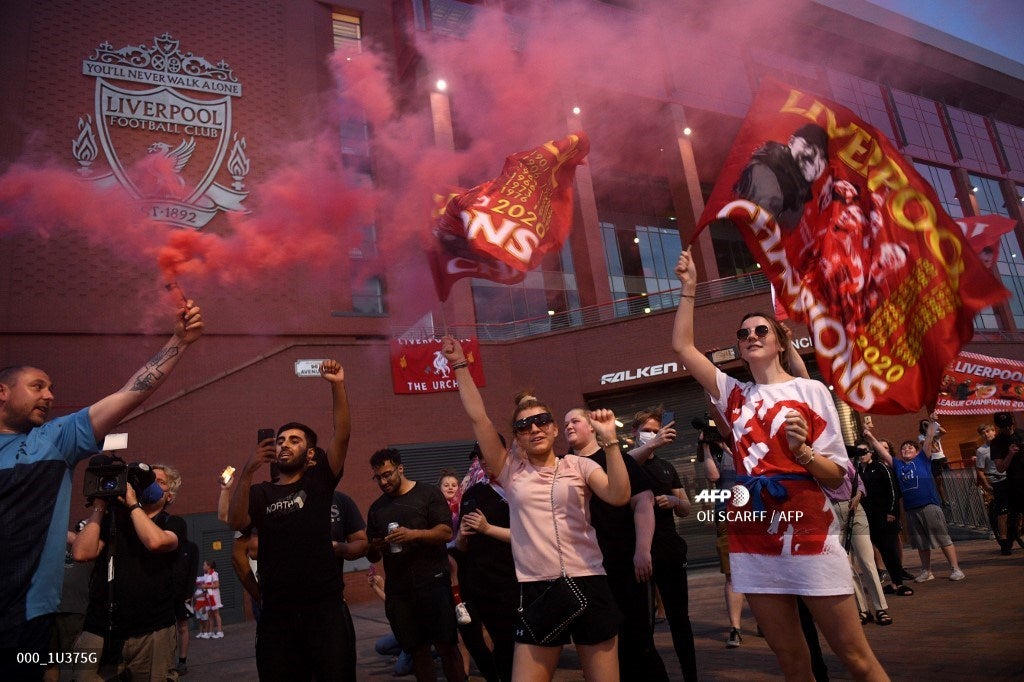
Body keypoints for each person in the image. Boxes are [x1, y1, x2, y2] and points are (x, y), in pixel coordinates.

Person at [671, 248, 887, 681]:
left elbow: (841, 475)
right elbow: (682, 346)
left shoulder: (811, 391)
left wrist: (804, 452)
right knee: (790, 660)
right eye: (743, 332)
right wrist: (690, 290)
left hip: (810, 528)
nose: (750, 335)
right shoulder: (734, 394)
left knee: (856, 658)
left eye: (760, 329)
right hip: (752, 533)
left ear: (779, 340)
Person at [0, 300, 203, 681]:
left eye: (52, 389)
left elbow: (130, 393)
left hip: (27, 616)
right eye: (37, 386)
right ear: (2, 392)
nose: (49, 396)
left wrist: (179, 341)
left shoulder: (53, 441)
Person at [442, 335, 629, 682]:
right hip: (538, 588)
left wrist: (611, 443)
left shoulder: (580, 466)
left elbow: (619, 495)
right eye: (524, 426)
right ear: (517, 438)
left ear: (555, 428)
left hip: (589, 581)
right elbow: (479, 419)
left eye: (542, 421)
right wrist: (460, 365)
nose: (534, 428)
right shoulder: (511, 472)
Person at [227, 359, 353, 681]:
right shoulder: (260, 492)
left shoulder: (319, 482)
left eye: (294, 440)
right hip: (277, 614)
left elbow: (342, 434)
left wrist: (337, 385)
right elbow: (236, 521)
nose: (285, 444)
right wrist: (248, 470)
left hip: (324, 608)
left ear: (310, 454)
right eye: (281, 440)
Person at [564, 407, 669, 681]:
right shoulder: (562, 467)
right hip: (587, 571)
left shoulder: (618, 460)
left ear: (591, 427)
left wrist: (642, 550)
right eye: (565, 423)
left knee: (638, 644)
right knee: (603, 648)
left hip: (625, 565)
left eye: (575, 421)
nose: (569, 426)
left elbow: (643, 504)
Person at [72, 462, 187, 681]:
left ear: (169, 496)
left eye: (160, 482)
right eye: (149, 479)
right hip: (101, 629)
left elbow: (155, 542)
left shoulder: (173, 523)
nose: (151, 484)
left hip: (152, 631)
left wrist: (134, 505)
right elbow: (80, 553)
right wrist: (100, 506)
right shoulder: (114, 521)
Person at [365, 448, 464, 682]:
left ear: (400, 468)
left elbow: (445, 532)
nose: (383, 481)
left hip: (432, 583)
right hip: (400, 591)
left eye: (387, 474)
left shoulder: (428, 494)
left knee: (446, 647)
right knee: (417, 651)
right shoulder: (377, 509)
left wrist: (413, 534)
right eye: (378, 477)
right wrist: (374, 547)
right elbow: (372, 556)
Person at [625, 408, 698, 680]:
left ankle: (690, 674)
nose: (653, 436)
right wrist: (655, 443)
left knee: (680, 620)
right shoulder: (625, 463)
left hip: (669, 551)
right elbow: (621, 466)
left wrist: (677, 501)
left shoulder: (667, 467)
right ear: (634, 433)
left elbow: (686, 507)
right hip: (636, 555)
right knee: (642, 626)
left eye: (657, 431)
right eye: (648, 431)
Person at [454, 443, 518, 682]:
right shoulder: (472, 493)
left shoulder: (520, 486)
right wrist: (460, 537)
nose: (483, 461)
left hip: (512, 581)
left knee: (510, 644)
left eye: (487, 455)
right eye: (479, 458)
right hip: (478, 583)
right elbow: (462, 546)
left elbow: (531, 535)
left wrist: (487, 528)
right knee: (477, 640)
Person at [875, 436, 965, 582]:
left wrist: (931, 422)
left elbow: (928, 439)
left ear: (917, 452)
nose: (906, 450)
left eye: (910, 447)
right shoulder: (898, 465)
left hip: (929, 505)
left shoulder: (922, 460)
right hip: (911, 509)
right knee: (921, 543)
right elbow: (882, 452)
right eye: (903, 448)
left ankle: (956, 569)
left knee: (942, 538)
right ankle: (926, 571)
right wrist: (870, 435)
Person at [733, 123, 829, 230]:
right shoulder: (765, 171)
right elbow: (762, 227)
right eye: (809, 146)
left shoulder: (800, 196)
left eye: (822, 158)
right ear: (791, 142)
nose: (814, 158)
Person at [856, 433, 914, 596]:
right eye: (859, 452)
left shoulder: (881, 468)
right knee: (876, 551)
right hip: (868, 518)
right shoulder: (857, 471)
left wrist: (891, 512)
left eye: (865, 452)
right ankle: (886, 583)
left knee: (889, 550)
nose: (862, 455)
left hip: (885, 517)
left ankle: (898, 583)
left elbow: (893, 491)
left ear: (871, 452)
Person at [42, 520, 92, 682]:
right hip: (49, 609)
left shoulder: (90, 547)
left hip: (76, 610)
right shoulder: (54, 543)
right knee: (49, 662)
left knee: (80, 664)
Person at [972, 423, 1009, 554]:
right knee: (1002, 511)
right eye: (983, 433)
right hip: (996, 480)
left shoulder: (1003, 444)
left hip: (1009, 476)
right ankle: (1004, 542)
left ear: (994, 431)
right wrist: (986, 484)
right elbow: (980, 470)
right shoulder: (981, 451)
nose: (986, 434)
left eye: (988, 431)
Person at [990, 411, 1024, 553]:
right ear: (999, 427)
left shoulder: (1021, 433)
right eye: (1004, 427)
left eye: (1010, 425)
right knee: (1011, 511)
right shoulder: (997, 443)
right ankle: (1006, 541)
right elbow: (1000, 467)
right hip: (1014, 481)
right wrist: (1010, 454)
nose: (1008, 429)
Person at [172, 537, 200, 673]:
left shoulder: (192, 547)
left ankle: (182, 661)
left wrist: (188, 595)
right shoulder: (169, 546)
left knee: (183, 626)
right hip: (167, 595)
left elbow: (193, 571)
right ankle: (167, 661)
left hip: (185, 596)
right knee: (168, 629)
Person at [201, 561, 224, 639]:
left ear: (209, 566)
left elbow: (217, 585)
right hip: (208, 596)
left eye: (204, 565)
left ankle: (220, 631)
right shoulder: (206, 575)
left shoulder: (214, 574)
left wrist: (206, 587)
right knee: (210, 614)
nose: (203, 566)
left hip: (214, 596)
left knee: (216, 613)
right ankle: (210, 632)